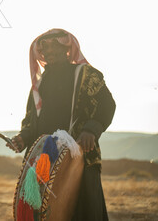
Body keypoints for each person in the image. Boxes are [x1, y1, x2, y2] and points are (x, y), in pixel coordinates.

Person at [8, 28, 116, 220]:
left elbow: (107, 105)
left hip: (79, 155)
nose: (50, 51)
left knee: (84, 211)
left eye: (55, 45)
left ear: (67, 48)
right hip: (43, 160)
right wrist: (22, 138)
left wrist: (91, 129)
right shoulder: (38, 85)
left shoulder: (85, 75)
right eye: (45, 48)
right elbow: (31, 122)